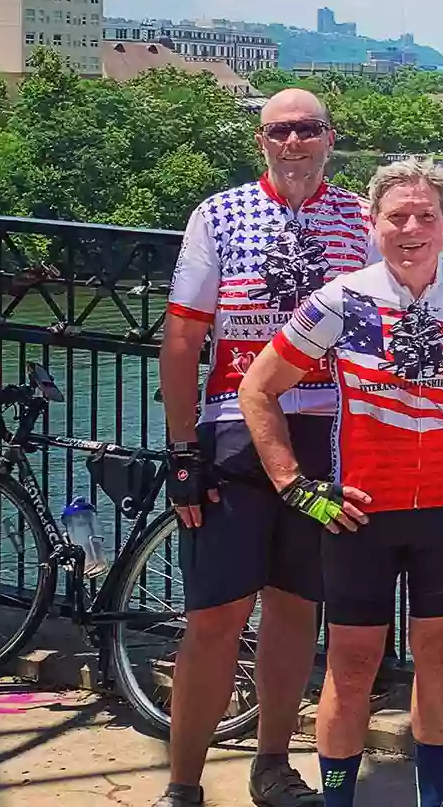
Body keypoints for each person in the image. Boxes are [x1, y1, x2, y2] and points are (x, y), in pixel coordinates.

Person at [235, 158, 443, 807]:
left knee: (439, 662)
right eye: (396, 216)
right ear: (371, 224)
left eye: (425, 215)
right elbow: (258, 387)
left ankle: (434, 800)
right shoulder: (341, 300)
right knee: (350, 670)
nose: (411, 227)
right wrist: (295, 486)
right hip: (360, 515)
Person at [158, 88, 375, 807]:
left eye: (307, 129)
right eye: (280, 131)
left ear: (328, 138)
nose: (294, 143)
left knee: (293, 608)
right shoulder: (217, 216)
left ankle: (273, 764)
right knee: (216, 616)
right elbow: (185, 338)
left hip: (325, 434)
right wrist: (182, 450)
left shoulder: (362, 219)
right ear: (262, 142)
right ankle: (183, 783)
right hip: (233, 430)